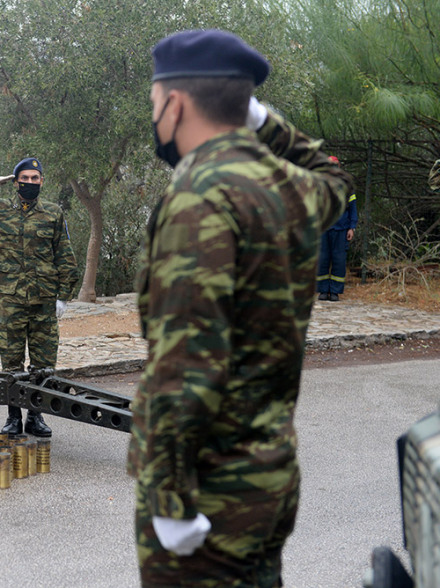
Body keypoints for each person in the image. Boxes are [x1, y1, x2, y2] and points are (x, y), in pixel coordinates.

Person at [127, 29, 353, 586]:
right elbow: (337, 179)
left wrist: (169, 500)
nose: (155, 116)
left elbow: (186, 367)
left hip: (211, 498)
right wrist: (264, 123)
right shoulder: (292, 187)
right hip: (270, 478)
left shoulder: (199, 194)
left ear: (174, 103)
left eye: (155, 103)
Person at [0, 158, 79, 437]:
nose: (30, 183)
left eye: (35, 178)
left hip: (44, 300)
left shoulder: (53, 213)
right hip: (12, 300)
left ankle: (36, 416)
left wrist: (64, 296)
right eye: (25, 178)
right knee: (11, 361)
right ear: (15, 181)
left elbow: (64, 255)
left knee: (44, 363)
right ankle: (12, 417)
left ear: (42, 181)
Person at [316, 156, 358, 301]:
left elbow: (353, 208)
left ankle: (335, 291)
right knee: (323, 259)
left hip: (341, 229)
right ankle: (323, 290)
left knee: (339, 260)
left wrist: (352, 227)